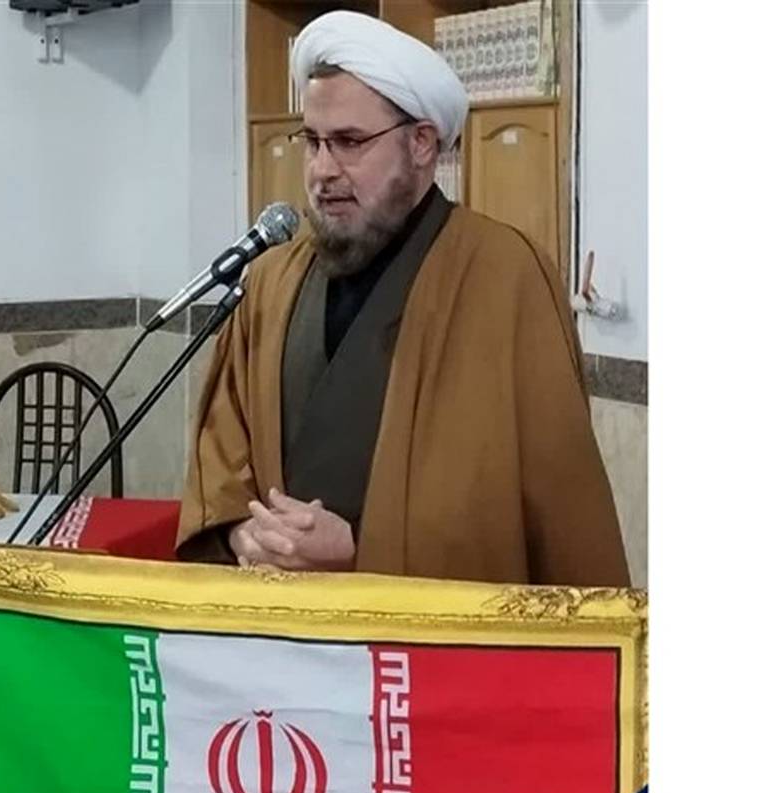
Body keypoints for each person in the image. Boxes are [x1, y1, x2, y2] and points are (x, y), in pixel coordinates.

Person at [175, 11, 629, 587]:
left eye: (349, 142)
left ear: (421, 144)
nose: (321, 171)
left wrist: (360, 551)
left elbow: (546, 507)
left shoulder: (506, 276)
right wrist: (242, 534)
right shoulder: (270, 280)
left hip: (426, 635)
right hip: (280, 624)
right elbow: (221, 457)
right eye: (312, 141)